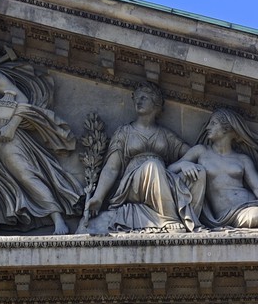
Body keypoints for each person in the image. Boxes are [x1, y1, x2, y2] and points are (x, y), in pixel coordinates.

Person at [0, 41, 83, 234]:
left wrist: (10, 127)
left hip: (3, 135)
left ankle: (57, 217)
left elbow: (23, 100)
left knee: (25, 173)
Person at [79, 83, 202, 234]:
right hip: (132, 185)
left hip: (162, 179)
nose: (139, 101)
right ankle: (169, 219)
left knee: (199, 172)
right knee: (153, 165)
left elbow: (194, 153)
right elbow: (112, 168)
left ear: (156, 103)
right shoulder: (124, 132)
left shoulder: (165, 135)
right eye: (136, 98)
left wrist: (185, 164)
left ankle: (192, 221)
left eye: (144, 98)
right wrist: (98, 197)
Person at [175, 108, 258, 229]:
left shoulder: (243, 159)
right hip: (227, 214)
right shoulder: (201, 151)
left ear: (227, 128)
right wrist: (183, 164)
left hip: (250, 204)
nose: (207, 128)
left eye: (213, 123)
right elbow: (170, 168)